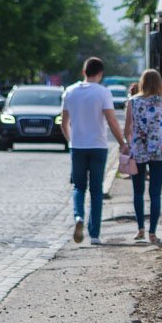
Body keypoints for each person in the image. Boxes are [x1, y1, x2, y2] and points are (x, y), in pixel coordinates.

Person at [61, 57, 127, 246]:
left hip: (78, 147)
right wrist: (122, 143)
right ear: (100, 73)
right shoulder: (103, 92)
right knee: (96, 190)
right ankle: (95, 234)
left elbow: (64, 123)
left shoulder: (70, 91)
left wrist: (71, 141)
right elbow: (112, 121)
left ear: (84, 72)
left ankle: (78, 216)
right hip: (98, 146)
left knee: (78, 187)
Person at [123, 69, 162, 243]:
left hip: (138, 151)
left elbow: (127, 129)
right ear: (159, 83)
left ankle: (140, 230)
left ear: (142, 82)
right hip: (158, 150)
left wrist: (131, 144)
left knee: (138, 192)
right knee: (155, 193)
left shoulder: (132, 101)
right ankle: (153, 233)